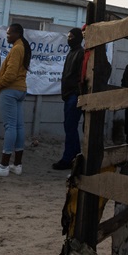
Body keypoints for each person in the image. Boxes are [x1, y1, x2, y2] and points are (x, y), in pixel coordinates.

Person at [0, 23, 30, 177]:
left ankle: (4, 166)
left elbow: (10, 74)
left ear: (18, 33)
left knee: (10, 126)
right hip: (20, 90)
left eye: (10, 33)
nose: (7, 35)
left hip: (10, 90)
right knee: (18, 126)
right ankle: (17, 165)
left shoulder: (17, 48)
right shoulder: (22, 46)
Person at [52, 27, 84, 170]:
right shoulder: (72, 52)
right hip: (69, 94)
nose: (69, 39)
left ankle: (68, 158)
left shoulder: (80, 53)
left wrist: (76, 92)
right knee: (69, 126)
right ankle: (76, 156)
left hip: (74, 95)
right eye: (68, 37)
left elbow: (80, 76)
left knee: (70, 126)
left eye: (71, 37)